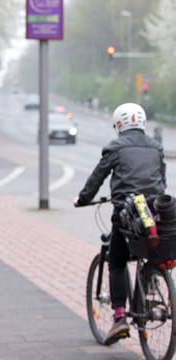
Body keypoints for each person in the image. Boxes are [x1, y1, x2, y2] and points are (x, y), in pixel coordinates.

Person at [74, 102, 166, 345]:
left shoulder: (115, 147)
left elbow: (97, 177)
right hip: (153, 212)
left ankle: (119, 318)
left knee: (116, 260)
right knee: (148, 250)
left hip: (127, 215)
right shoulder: (156, 147)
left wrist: (83, 199)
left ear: (118, 125)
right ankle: (152, 281)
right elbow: (161, 182)